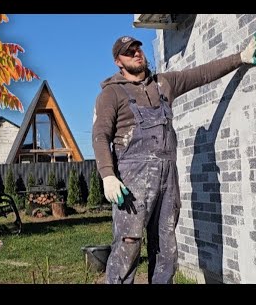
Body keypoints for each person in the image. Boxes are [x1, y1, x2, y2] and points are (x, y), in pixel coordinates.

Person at [92, 34, 256, 284]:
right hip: (132, 183)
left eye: (138, 48)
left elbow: (202, 73)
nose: (137, 53)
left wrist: (240, 58)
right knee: (128, 245)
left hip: (168, 180)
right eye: (129, 51)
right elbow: (100, 135)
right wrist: (107, 175)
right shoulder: (111, 95)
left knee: (165, 246)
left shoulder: (164, 84)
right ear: (118, 61)